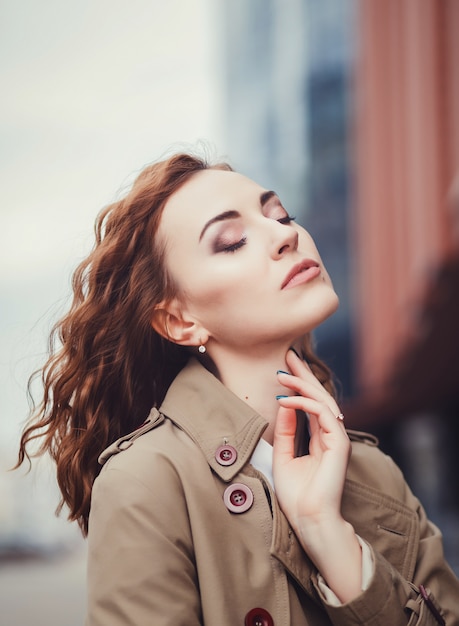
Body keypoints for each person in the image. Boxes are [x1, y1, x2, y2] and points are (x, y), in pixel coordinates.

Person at [17, 152, 459, 625]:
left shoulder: (375, 474)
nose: (286, 234)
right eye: (231, 242)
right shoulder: (146, 481)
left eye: (281, 215)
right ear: (178, 321)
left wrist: (326, 532)